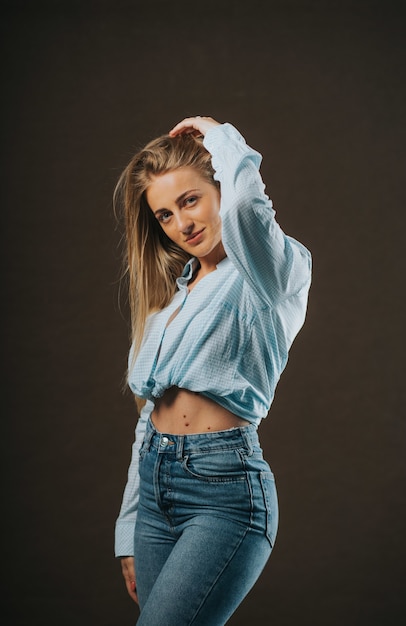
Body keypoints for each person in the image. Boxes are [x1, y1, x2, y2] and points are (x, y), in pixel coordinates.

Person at [113, 115, 312, 625]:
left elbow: (247, 208)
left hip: (224, 494)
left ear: (220, 187)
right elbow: (150, 418)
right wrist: (129, 526)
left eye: (190, 200)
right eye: (164, 215)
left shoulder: (271, 273)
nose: (182, 224)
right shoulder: (173, 301)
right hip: (157, 497)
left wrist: (218, 133)